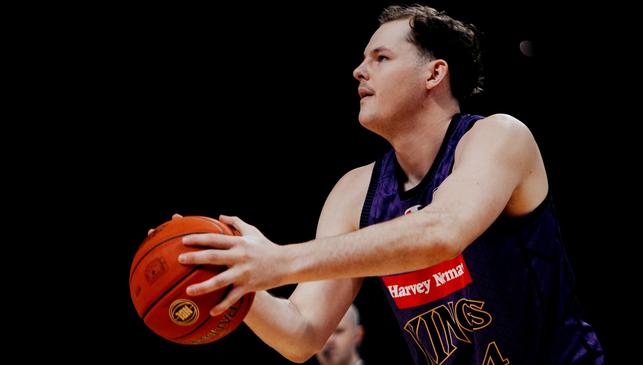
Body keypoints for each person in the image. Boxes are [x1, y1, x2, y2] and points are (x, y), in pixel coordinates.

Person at [176, 4, 605, 364]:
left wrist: (279, 260)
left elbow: (441, 232)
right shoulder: (354, 192)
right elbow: (301, 334)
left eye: (380, 58)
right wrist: (234, 275)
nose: (359, 71)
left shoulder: (499, 137)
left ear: (434, 73)